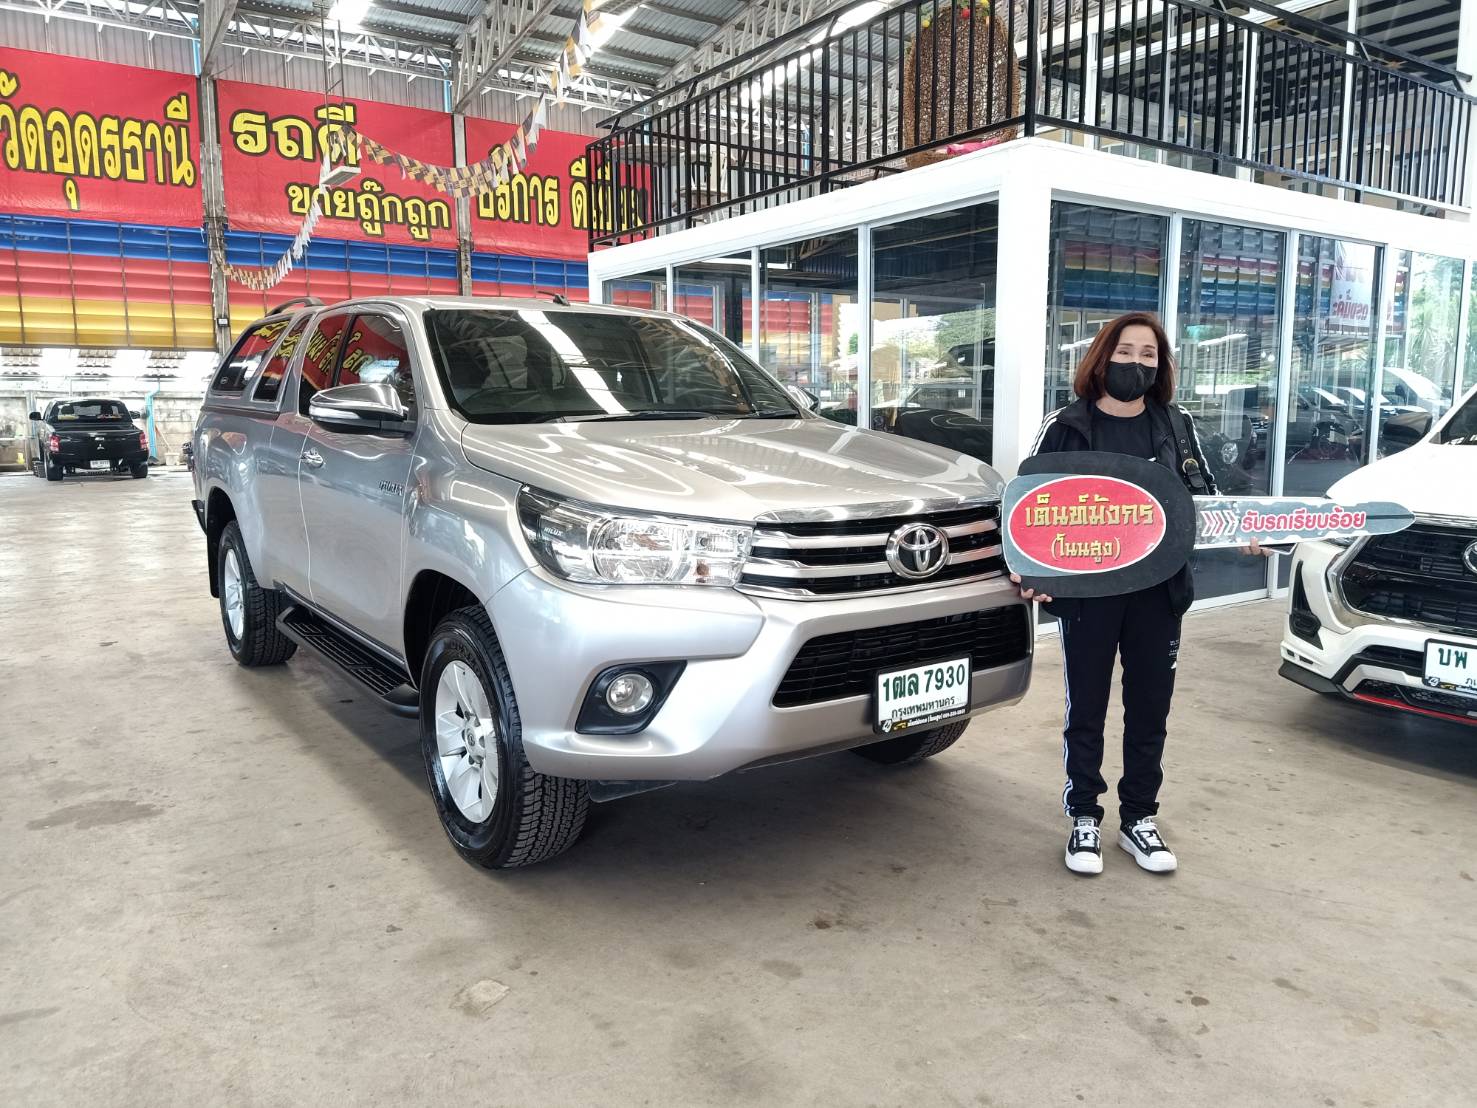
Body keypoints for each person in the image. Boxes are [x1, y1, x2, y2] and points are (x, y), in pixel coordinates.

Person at [1012, 311, 1269, 876]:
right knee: (1086, 707)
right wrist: (1029, 570)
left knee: (1150, 708)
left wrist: (1245, 531)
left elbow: (1205, 500)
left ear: (1162, 366)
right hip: (1089, 595)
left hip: (1158, 592)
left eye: (1148, 355)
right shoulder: (1066, 424)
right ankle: (1084, 815)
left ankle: (1138, 818)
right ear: (1102, 358)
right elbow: (1029, 507)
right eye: (1125, 352)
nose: (1136, 363)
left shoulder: (1175, 425)